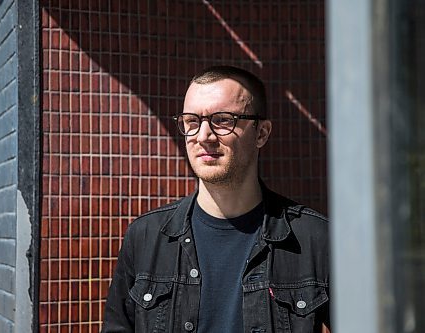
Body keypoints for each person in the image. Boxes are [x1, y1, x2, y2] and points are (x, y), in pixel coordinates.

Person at [101, 65, 330, 333]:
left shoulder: (314, 239)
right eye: (192, 122)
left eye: (223, 120)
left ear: (261, 133)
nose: (203, 136)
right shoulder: (145, 238)